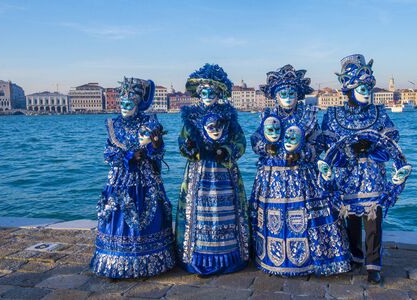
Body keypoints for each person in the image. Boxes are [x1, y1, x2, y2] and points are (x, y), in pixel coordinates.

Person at [250, 65, 351, 276]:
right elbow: (256, 141)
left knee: (306, 215)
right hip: (272, 176)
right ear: (275, 95)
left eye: (291, 93)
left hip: (302, 175)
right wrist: (266, 147)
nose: (287, 97)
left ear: (299, 95)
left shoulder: (309, 115)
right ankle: (273, 259)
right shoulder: (266, 115)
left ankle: (310, 260)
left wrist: (302, 153)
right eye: (283, 93)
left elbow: (320, 144)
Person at [320, 54, 411, 283]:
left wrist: (370, 147)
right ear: (350, 88)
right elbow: (328, 147)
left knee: (373, 221)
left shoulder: (379, 113)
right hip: (346, 177)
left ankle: (373, 266)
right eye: (362, 86)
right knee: (350, 219)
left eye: (368, 87)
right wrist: (350, 151)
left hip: (373, 176)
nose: (366, 91)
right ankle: (354, 256)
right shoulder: (333, 115)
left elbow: (391, 143)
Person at [90, 77, 175, 278]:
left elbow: (159, 152)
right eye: (123, 104)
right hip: (120, 178)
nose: (125, 107)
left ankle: (150, 260)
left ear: (138, 104)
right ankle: (114, 261)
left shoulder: (149, 122)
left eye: (129, 104)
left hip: (145, 177)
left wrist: (154, 146)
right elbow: (108, 154)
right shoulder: (113, 125)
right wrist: (128, 155)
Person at [175, 64, 250, 275]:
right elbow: (182, 142)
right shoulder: (190, 117)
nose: (208, 95)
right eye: (204, 92)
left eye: (212, 92)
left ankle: (228, 256)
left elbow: (240, 142)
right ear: (199, 94)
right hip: (199, 170)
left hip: (224, 171)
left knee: (226, 209)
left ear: (219, 93)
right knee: (199, 210)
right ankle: (198, 256)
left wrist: (225, 151)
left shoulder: (229, 117)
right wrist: (189, 148)